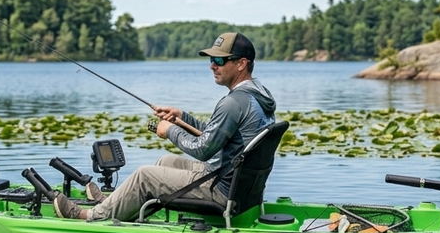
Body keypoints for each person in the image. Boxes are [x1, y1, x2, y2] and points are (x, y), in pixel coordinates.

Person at [52, 32, 276, 221]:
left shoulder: (233, 102)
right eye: (211, 60)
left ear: (241, 64)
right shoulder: (257, 95)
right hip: (240, 187)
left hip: (222, 191)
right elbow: (218, 134)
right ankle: (116, 205)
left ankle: (88, 215)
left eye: (219, 61)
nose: (212, 66)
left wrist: (169, 130)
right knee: (165, 161)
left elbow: (204, 150)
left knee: (145, 175)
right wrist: (182, 117)